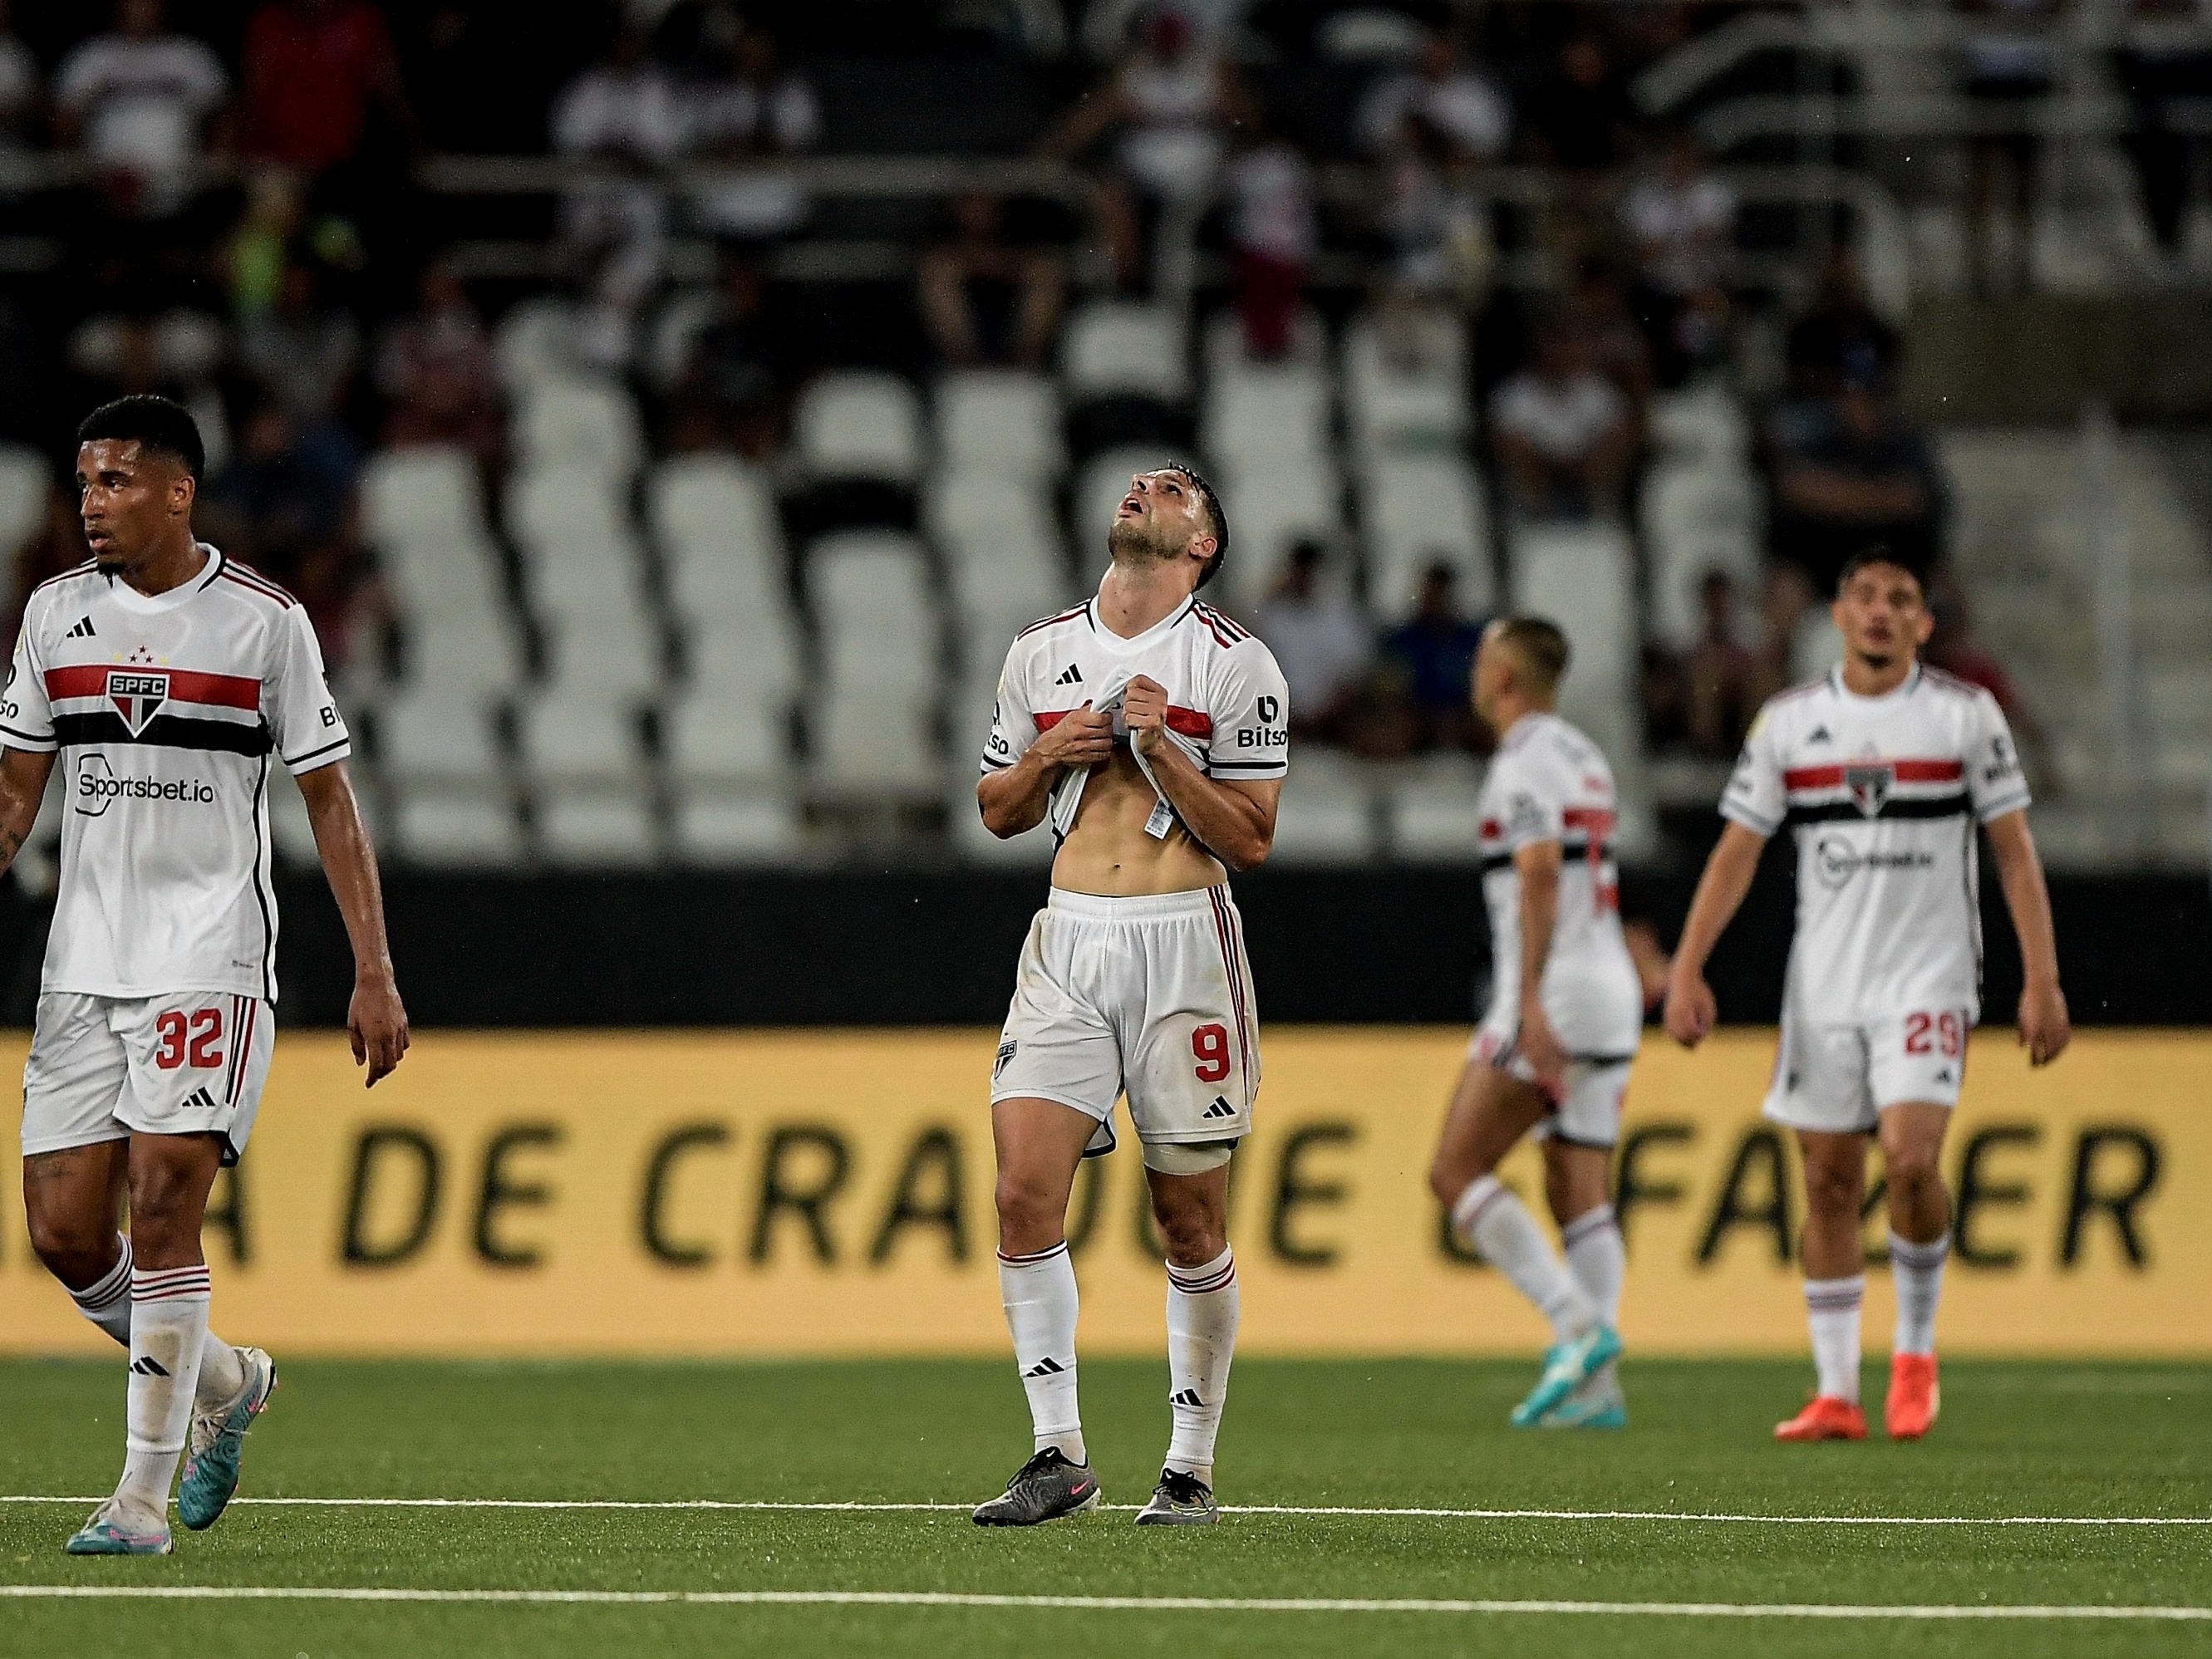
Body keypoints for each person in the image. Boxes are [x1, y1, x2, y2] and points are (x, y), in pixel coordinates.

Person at [7, 395, 407, 1555]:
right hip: (84, 962)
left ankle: (136, 1501)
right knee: (64, 1233)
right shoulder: (51, 618)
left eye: (118, 480)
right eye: (84, 482)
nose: (93, 502)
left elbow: (329, 800)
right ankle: (228, 1381)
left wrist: (372, 970)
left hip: (209, 954)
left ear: (179, 491)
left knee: (167, 1199)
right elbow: (14, 798)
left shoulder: (263, 624)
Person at [1663, 546, 2069, 1442]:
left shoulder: (1965, 717)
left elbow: (2012, 850)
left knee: (1912, 1161)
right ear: (1839, 616)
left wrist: (2040, 976)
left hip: (1927, 977)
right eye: (1865, 596)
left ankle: (1916, 1349)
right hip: (1823, 986)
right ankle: (1837, 1389)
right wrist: (1689, 963)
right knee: (1829, 1178)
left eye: (1901, 599)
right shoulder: (1788, 722)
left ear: (1923, 623)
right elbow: (1736, 852)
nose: (1881, 611)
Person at [972, 464, 1286, 1528]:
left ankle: (1189, 1464)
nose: (1144, 488)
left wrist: (1159, 750)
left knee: (1186, 1219)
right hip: (1068, 940)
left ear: (1203, 545)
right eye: (1140, 483)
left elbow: (1249, 838)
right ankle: (1055, 1451)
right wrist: (1055, 751)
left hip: (1183, 946)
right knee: (1022, 1192)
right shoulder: (1039, 650)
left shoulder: (1236, 664)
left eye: (1176, 490)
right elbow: (996, 807)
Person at [1426, 617, 1639, 1428]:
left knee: (1455, 1167)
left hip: (1557, 992)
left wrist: (1528, 1002)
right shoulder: (1582, 753)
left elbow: (1541, 871)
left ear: (1506, 675)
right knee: (1578, 1186)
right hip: (1608, 985)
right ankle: (1597, 1390)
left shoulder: (1521, 764)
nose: (1474, 671)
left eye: (1482, 656)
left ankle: (1577, 1326)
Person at [53, 0, 229, 218]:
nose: (140, 10)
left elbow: (222, 117)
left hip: (177, 186)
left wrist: (214, 162)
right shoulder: (93, 56)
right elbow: (64, 118)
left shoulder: (190, 56)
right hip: (105, 187)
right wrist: (74, 163)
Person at [1489, 326, 1636, 519]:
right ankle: (1534, 515)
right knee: (1515, 448)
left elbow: (1621, 431)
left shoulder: (1597, 391)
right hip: (1538, 470)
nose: (1563, 354)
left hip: (1585, 469)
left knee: (1615, 440)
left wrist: (1580, 464)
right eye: (1556, 348)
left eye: (1569, 347)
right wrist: (1549, 463)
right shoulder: (1515, 393)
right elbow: (1504, 439)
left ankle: (1598, 514)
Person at [917, 193, 1068, 371]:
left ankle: (1024, 362)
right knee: (938, 275)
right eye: (972, 203)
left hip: (1014, 325)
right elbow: (938, 262)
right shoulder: (938, 237)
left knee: (1047, 273)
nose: (978, 212)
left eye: (985, 203)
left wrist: (997, 265)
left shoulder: (1025, 228)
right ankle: (965, 364)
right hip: (965, 341)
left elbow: (1040, 260)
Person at [1252, 540, 1369, 744]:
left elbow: (1351, 679)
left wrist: (1321, 718)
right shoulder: (1271, 616)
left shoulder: (1341, 617)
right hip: (1279, 724)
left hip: (1331, 726)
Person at [1379, 561, 1484, 752]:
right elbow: (1391, 689)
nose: (1435, 600)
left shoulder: (1471, 640)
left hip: (1461, 717)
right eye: (1431, 593)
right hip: (1418, 717)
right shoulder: (1401, 640)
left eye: (1441, 594)